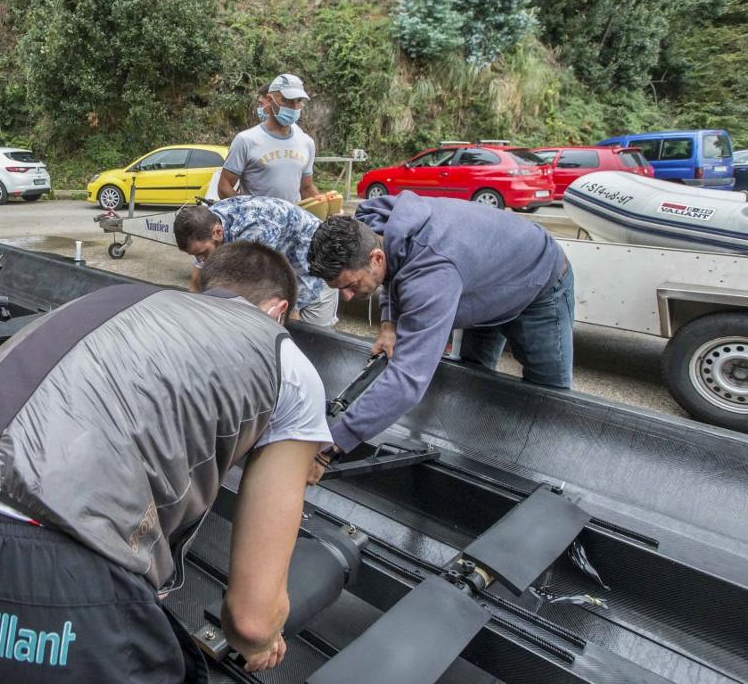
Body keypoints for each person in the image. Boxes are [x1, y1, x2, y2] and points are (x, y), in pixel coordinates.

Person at [0, 241, 332, 682]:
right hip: (41, 581)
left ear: (202, 289)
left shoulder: (118, 301)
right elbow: (250, 617)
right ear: (278, 311)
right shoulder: (283, 357)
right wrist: (261, 641)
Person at [306, 191, 574, 457]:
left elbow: (408, 380)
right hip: (481, 279)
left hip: (538, 281)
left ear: (375, 258)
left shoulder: (431, 275)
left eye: (351, 286)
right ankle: (478, 458)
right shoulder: (373, 224)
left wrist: (335, 445)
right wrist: (389, 323)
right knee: (472, 382)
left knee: (548, 401)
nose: (348, 297)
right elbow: (394, 266)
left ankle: (541, 466)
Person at [174, 195, 339, 327]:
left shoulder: (255, 229)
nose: (201, 260)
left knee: (311, 338)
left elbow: (263, 286)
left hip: (314, 270)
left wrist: (292, 311)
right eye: (195, 255)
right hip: (283, 260)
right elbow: (198, 280)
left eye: (203, 253)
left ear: (217, 232)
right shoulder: (207, 221)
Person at [218, 74, 319, 203]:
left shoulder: (306, 143)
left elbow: (306, 188)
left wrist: (328, 208)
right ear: (270, 100)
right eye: (286, 100)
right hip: (257, 222)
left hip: (293, 221)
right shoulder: (246, 140)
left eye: (298, 100)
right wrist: (250, 210)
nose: (293, 106)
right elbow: (224, 187)